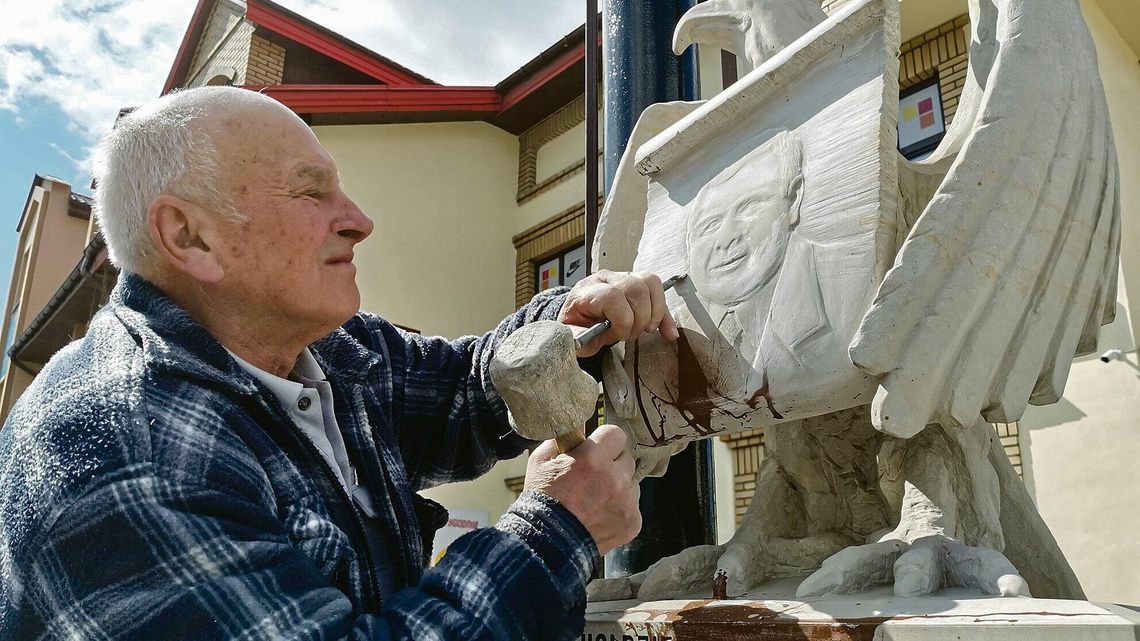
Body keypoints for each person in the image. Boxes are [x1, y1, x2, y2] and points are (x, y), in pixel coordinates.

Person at [0, 86, 680, 640]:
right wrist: (553, 530)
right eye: (310, 192)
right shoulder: (126, 448)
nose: (359, 220)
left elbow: (463, 388)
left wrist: (570, 323)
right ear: (190, 235)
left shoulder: (327, 348)